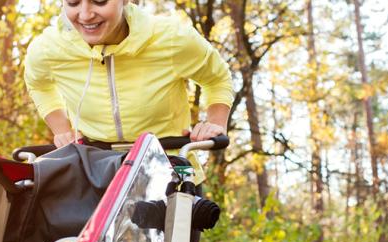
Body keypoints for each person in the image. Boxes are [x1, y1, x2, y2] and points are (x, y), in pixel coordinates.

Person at [24, 0, 233, 148]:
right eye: (73, 2)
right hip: (95, 168)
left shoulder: (171, 38)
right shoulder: (49, 49)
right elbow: (38, 85)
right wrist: (62, 130)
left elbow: (217, 78)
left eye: (100, 1)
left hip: (168, 164)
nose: (85, 14)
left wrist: (215, 124)